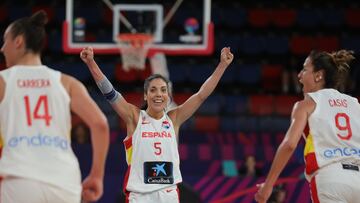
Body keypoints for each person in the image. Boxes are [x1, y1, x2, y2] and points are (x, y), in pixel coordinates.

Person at [80, 46, 233, 202]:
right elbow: (110, 94)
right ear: (146, 96)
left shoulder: (174, 119)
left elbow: (201, 94)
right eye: (153, 90)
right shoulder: (134, 117)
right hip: (139, 196)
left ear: (168, 95)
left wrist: (222, 65)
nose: (158, 94)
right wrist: (91, 63)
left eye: (163, 90)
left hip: (169, 195)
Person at [0, 11, 110, 203]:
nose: (2, 48)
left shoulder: (3, 81)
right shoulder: (67, 82)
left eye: (5, 41)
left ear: (18, 41)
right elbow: (100, 124)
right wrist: (96, 176)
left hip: (20, 179)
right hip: (65, 181)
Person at [255, 49, 360, 203]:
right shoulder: (355, 104)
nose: (299, 75)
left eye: (304, 69)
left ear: (319, 75)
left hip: (330, 179)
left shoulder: (306, 105)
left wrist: (268, 185)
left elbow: (289, 145)